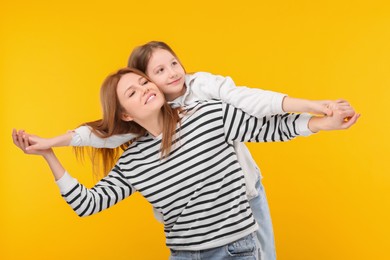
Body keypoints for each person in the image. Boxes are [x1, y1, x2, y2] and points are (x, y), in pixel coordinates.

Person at [23, 41, 353, 260]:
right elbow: (87, 204)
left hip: (237, 249)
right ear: (125, 114)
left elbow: (270, 127)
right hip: (184, 255)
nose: (146, 89)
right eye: (132, 93)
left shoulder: (208, 112)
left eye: (144, 83)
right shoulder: (134, 160)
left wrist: (321, 122)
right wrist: (48, 154)